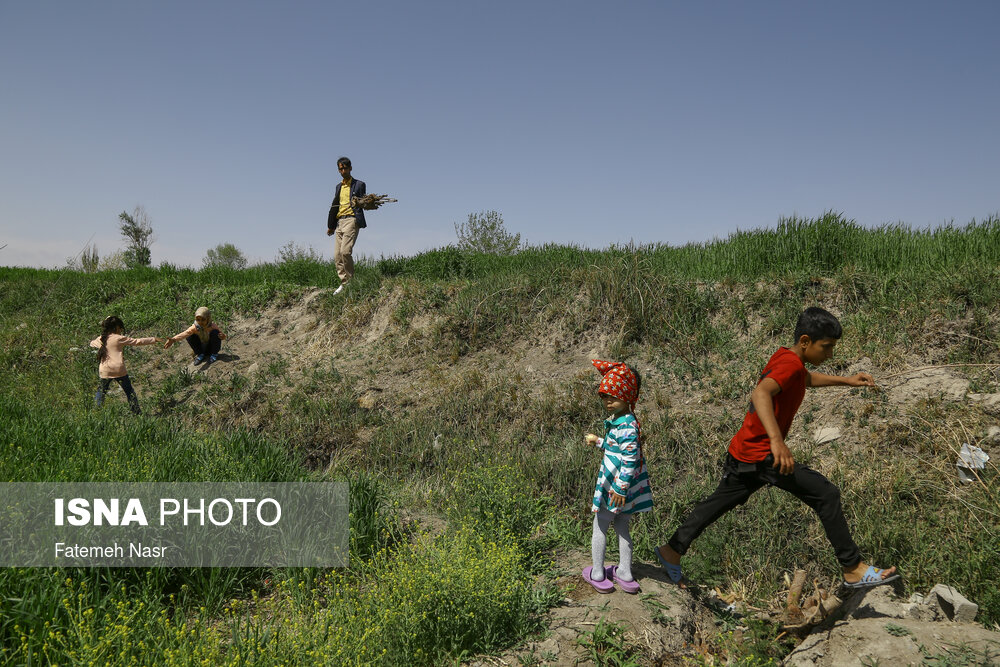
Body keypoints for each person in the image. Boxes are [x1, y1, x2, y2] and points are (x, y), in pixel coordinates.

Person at [655, 307, 898, 590]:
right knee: (826, 494)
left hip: (743, 452)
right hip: (761, 456)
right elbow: (760, 393)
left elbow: (805, 379)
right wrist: (777, 441)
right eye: (827, 347)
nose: (830, 354)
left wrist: (848, 380)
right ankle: (853, 567)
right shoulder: (790, 365)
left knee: (716, 504)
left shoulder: (788, 358)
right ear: (806, 341)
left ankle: (671, 550)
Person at [582, 360, 653, 594]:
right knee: (623, 527)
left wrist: (620, 488)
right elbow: (618, 449)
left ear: (628, 397)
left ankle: (598, 572)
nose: (608, 402)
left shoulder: (627, 426)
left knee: (600, 525)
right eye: (604, 396)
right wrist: (599, 442)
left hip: (616, 488)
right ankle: (624, 572)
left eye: (613, 396)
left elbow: (630, 459)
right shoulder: (622, 422)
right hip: (624, 489)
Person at [89, 315, 162, 414]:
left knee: (101, 391)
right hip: (119, 370)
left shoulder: (101, 339)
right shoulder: (119, 338)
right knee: (129, 392)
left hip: (105, 370)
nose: (121, 330)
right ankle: (136, 413)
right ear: (117, 328)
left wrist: (100, 345)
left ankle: (96, 412)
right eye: (120, 328)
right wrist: (154, 339)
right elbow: (137, 341)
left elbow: (92, 343)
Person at [326, 156, 367, 295]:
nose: (343, 170)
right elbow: (335, 205)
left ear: (350, 168)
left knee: (345, 252)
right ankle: (344, 283)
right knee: (337, 255)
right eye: (340, 168)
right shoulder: (339, 186)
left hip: (351, 220)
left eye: (345, 168)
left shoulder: (359, 184)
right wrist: (331, 226)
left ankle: (351, 282)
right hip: (339, 221)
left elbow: (363, 202)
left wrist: (366, 202)